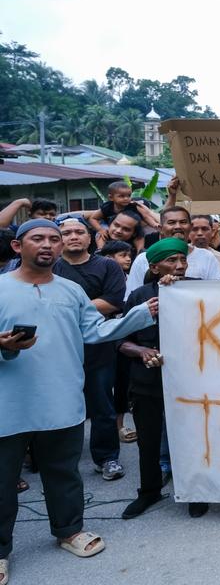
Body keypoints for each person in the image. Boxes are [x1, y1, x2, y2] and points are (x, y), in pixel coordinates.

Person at [1, 219, 157, 574]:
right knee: (1, 479)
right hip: (7, 403)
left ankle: (69, 530)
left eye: (54, 240)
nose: (48, 245)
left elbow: (95, 331)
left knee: (64, 471)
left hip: (61, 396)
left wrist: (137, 316)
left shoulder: (71, 291)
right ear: (17, 247)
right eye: (37, 238)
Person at [117, 238, 209, 520]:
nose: (179, 266)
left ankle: (196, 491)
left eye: (182, 260)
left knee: (193, 438)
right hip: (147, 383)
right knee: (148, 440)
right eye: (171, 261)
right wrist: (143, 351)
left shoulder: (200, 290)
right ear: (155, 267)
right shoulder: (139, 297)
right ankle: (149, 491)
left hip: (191, 382)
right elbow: (121, 341)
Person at [51, 215, 130, 482]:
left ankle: (107, 458)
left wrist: (66, 306)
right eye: (66, 232)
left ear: (90, 237)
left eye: (78, 232)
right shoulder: (50, 268)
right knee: (59, 404)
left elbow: (113, 301)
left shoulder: (108, 266)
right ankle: (60, 463)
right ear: (59, 239)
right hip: (59, 345)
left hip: (98, 345)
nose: (73, 236)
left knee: (101, 404)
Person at [126, 207, 220, 296]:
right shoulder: (143, 259)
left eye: (183, 222)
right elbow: (133, 298)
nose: (178, 227)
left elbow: (216, 294)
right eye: (171, 222)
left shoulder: (206, 257)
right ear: (160, 228)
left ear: (190, 226)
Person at [97, 240, 137, 445]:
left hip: (124, 334)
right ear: (108, 259)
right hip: (102, 335)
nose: (128, 258)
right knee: (102, 385)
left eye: (129, 254)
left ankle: (120, 425)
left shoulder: (132, 277)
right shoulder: (101, 277)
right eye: (123, 255)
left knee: (121, 382)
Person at [85, 181, 158, 240]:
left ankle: (140, 250)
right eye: (121, 196)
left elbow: (146, 216)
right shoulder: (107, 207)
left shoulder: (134, 206)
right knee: (100, 235)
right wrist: (100, 229)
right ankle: (100, 250)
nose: (126, 198)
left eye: (128, 196)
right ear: (111, 197)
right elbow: (93, 218)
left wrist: (154, 224)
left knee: (140, 235)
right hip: (111, 228)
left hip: (130, 229)